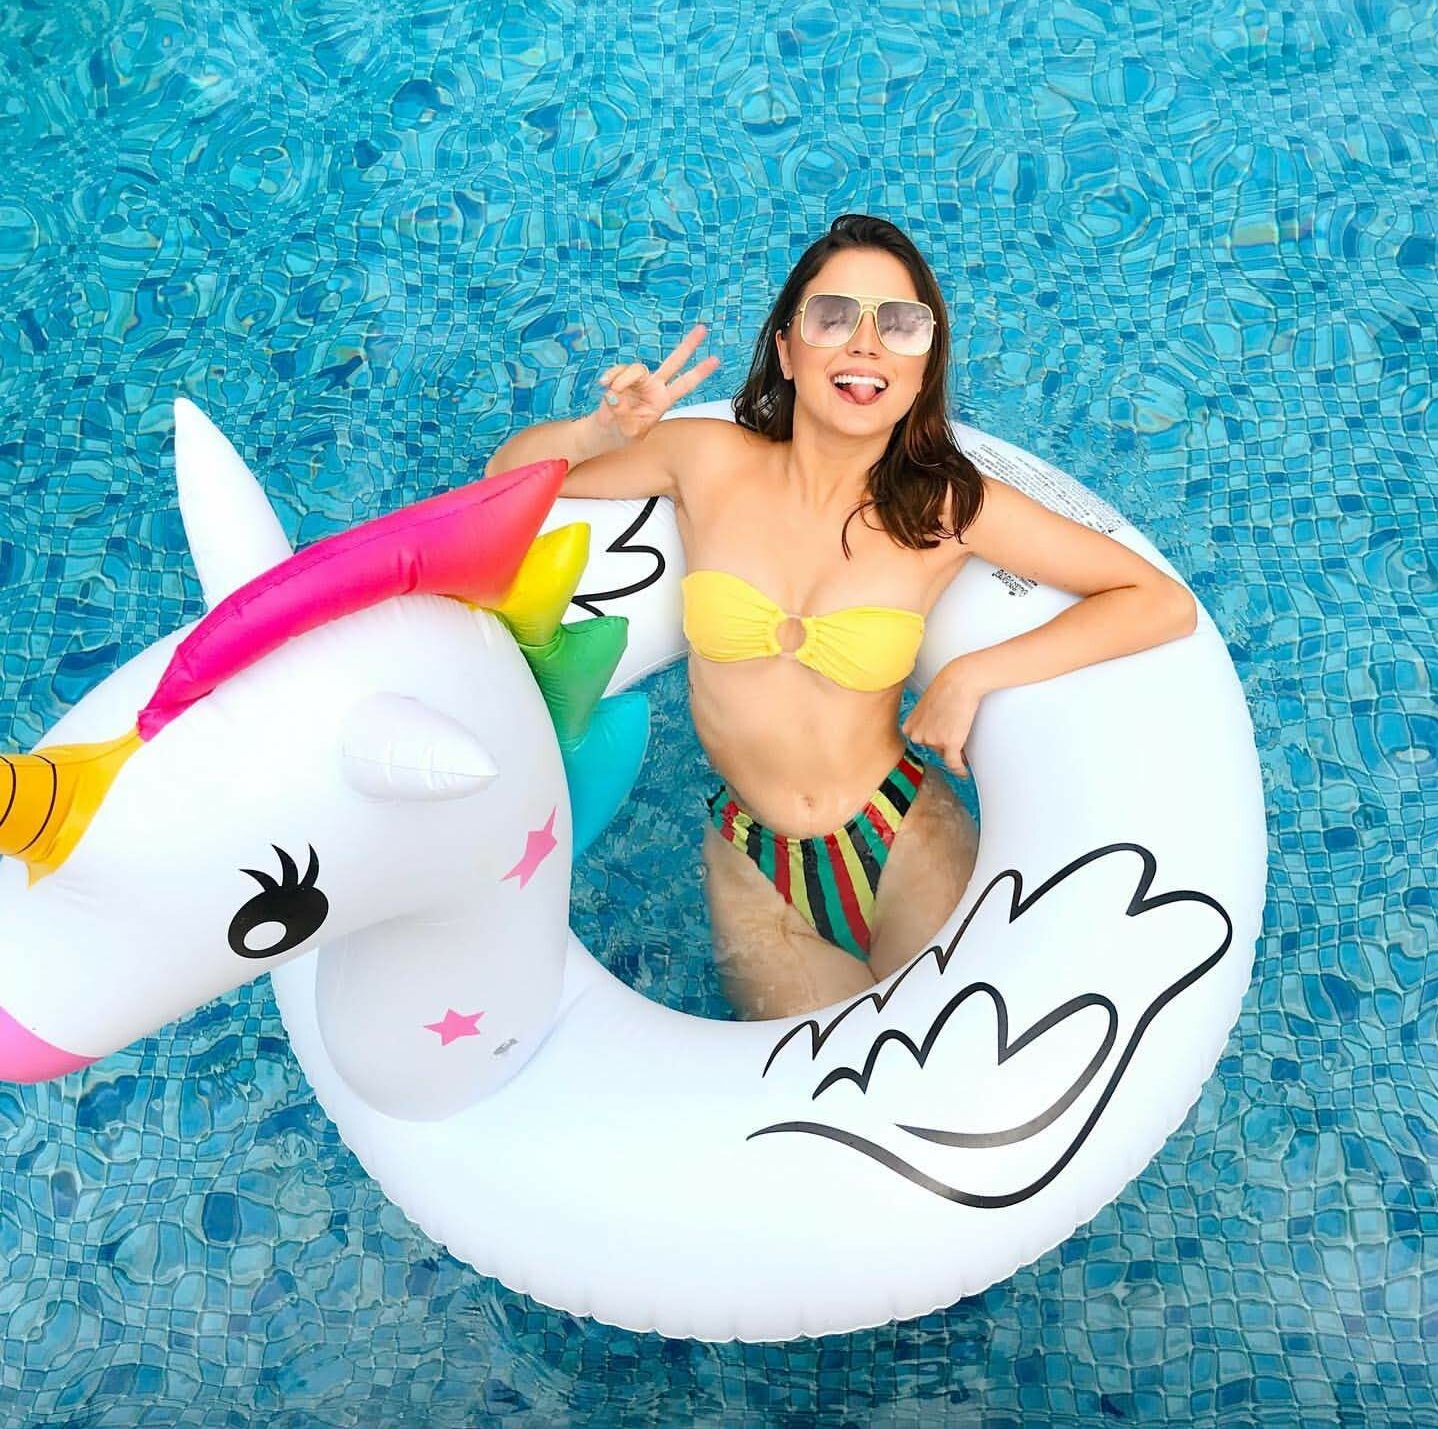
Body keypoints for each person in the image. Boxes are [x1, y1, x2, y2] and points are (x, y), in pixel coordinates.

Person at [486, 214, 1197, 1020]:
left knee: (944, 1067)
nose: (865, 344)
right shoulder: (706, 459)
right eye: (832, 317)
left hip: (902, 838)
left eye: (900, 325)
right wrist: (598, 432)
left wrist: (971, 676)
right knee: (811, 1093)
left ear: (923, 367)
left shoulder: (946, 508)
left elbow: (1158, 601)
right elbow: (510, 477)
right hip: (754, 864)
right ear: (787, 350)